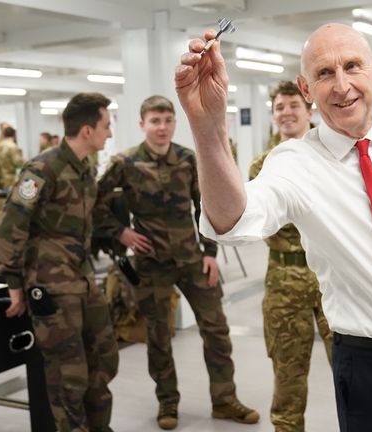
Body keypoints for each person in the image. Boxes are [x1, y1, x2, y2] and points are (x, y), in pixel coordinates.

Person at [175, 23, 372, 432]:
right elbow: (231, 220)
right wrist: (208, 128)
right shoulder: (294, 163)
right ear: (306, 88)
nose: (342, 85)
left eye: (352, 66)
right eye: (324, 73)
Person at [94, 95, 259, 430]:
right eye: (155, 121)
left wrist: (211, 254)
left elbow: (208, 208)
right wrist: (121, 233)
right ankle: (167, 403)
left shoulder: (187, 159)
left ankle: (225, 400)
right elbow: (93, 203)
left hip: (192, 260)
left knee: (216, 330)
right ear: (142, 124)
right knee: (158, 336)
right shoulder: (124, 163)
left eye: (168, 121)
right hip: (151, 263)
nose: (162, 128)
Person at [0, 92, 119, 432]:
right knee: (68, 372)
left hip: (82, 279)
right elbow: (9, 227)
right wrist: (15, 285)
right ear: (87, 130)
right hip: (50, 285)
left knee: (102, 359)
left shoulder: (85, 170)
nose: (110, 133)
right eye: (106, 126)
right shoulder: (41, 169)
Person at [248, 81, 331, 432]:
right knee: (288, 371)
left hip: (332, 277)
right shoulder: (262, 166)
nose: (286, 112)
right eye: (279, 107)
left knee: (353, 367)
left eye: (293, 105)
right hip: (285, 280)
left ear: (309, 110)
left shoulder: (332, 156)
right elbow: (263, 226)